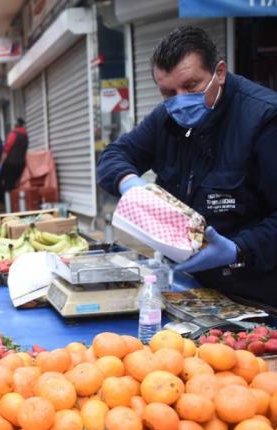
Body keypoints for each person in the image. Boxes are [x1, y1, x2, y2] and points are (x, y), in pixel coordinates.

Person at [97, 25, 277, 307]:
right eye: (168, 92)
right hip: (193, 292)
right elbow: (114, 156)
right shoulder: (166, 118)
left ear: (218, 72)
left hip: (259, 297)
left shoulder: (264, 120)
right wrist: (129, 183)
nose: (181, 100)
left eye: (191, 86)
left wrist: (238, 249)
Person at [0, 118, 29, 212]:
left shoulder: (13, 134)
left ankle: (9, 210)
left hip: (10, 164)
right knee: (16, 186)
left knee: (7, 187)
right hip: (21, 164)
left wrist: (0, 164)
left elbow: (6, 150)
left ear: (16, 125)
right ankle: (18, 208)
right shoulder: (25, 136)